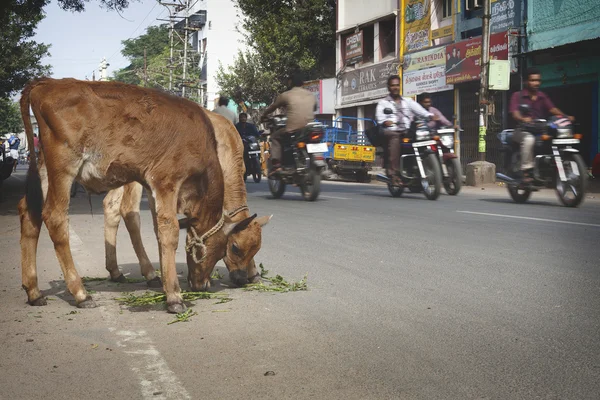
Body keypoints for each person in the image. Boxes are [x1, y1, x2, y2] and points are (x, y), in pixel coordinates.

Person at [509, 67, 574, 182]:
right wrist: (523, 119)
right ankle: (526, 171)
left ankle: (551, 168)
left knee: (555, 138)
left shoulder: (542, 96)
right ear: (525, 82)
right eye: (533, 80)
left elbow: (552, 109)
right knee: (529, 139)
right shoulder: (517, 96)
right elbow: (515, 113)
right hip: (521, 130)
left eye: (538, 80)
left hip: (540, 129)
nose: (536, 83)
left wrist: (565, 116)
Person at [376, 75, 436, 185]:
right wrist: (385, 121)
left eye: (397, 85)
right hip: (392, 130)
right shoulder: (383, 103)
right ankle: (393, 173)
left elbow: (420, 111)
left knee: (423, 136)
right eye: (393, 85)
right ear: (389, 87)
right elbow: (380, 118)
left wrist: (430, 115)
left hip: (406, 131)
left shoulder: (407, 101)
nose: (395, 87)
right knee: (395, 138)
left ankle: (420, 167)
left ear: (400, 86)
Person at [260, 72, 316, 175]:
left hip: (294, 128)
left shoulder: (286, 95)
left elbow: (273, 107)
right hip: (309, 128)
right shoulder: (311, 95)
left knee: (275, 137)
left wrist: (263, 116)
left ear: (290, 81)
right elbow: (315, 107)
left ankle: (276, 165)